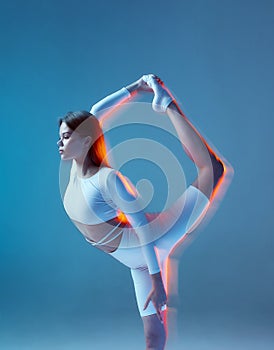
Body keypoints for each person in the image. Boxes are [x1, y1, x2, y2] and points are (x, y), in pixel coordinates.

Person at [57, 74, 228, 350]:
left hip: (154, 241)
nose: (59, 143)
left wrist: (157, 281)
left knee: (212, 169)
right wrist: (135, 88)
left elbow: (144, 230)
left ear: (86, 141)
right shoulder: (76, 170)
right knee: (154, 337)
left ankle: (168, 105)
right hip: (134, 259)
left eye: (66, 136)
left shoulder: (107, 180)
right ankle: (162, 100)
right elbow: (97, 109)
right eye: (60, 137)